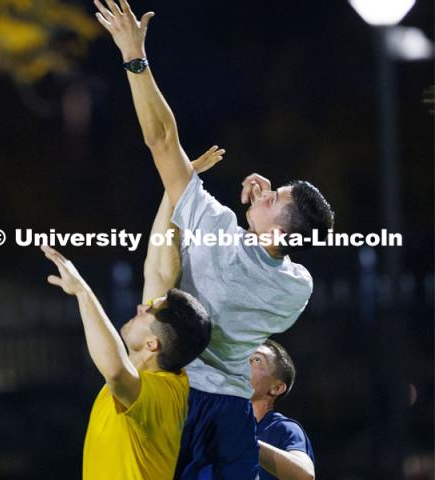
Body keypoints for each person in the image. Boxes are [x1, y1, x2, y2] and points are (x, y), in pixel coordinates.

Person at [94, 1, 333, 477]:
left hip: (179, 396)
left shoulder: (217, 229)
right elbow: (269, 253)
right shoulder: (298, 287)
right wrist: (258, 215)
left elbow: (162, 140)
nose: (267, 191)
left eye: (275, 195)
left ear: (280, 227)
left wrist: (134, 56)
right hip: (231, 413)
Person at [41, 222, 211, 478]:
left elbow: (115, 370)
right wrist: (174, 189)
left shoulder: (158, 395)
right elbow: (160, 272)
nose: (141, 308)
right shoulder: (163, 370)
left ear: (152, 344)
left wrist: (82, 292)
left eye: (149, 311)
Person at [199, 338, 315, 480]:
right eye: (244, 357)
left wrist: (245, 440)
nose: (244, 363)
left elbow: (305, 475)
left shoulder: (282, 428)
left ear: (276, 388)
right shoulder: (217, 423)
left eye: (257, 359)